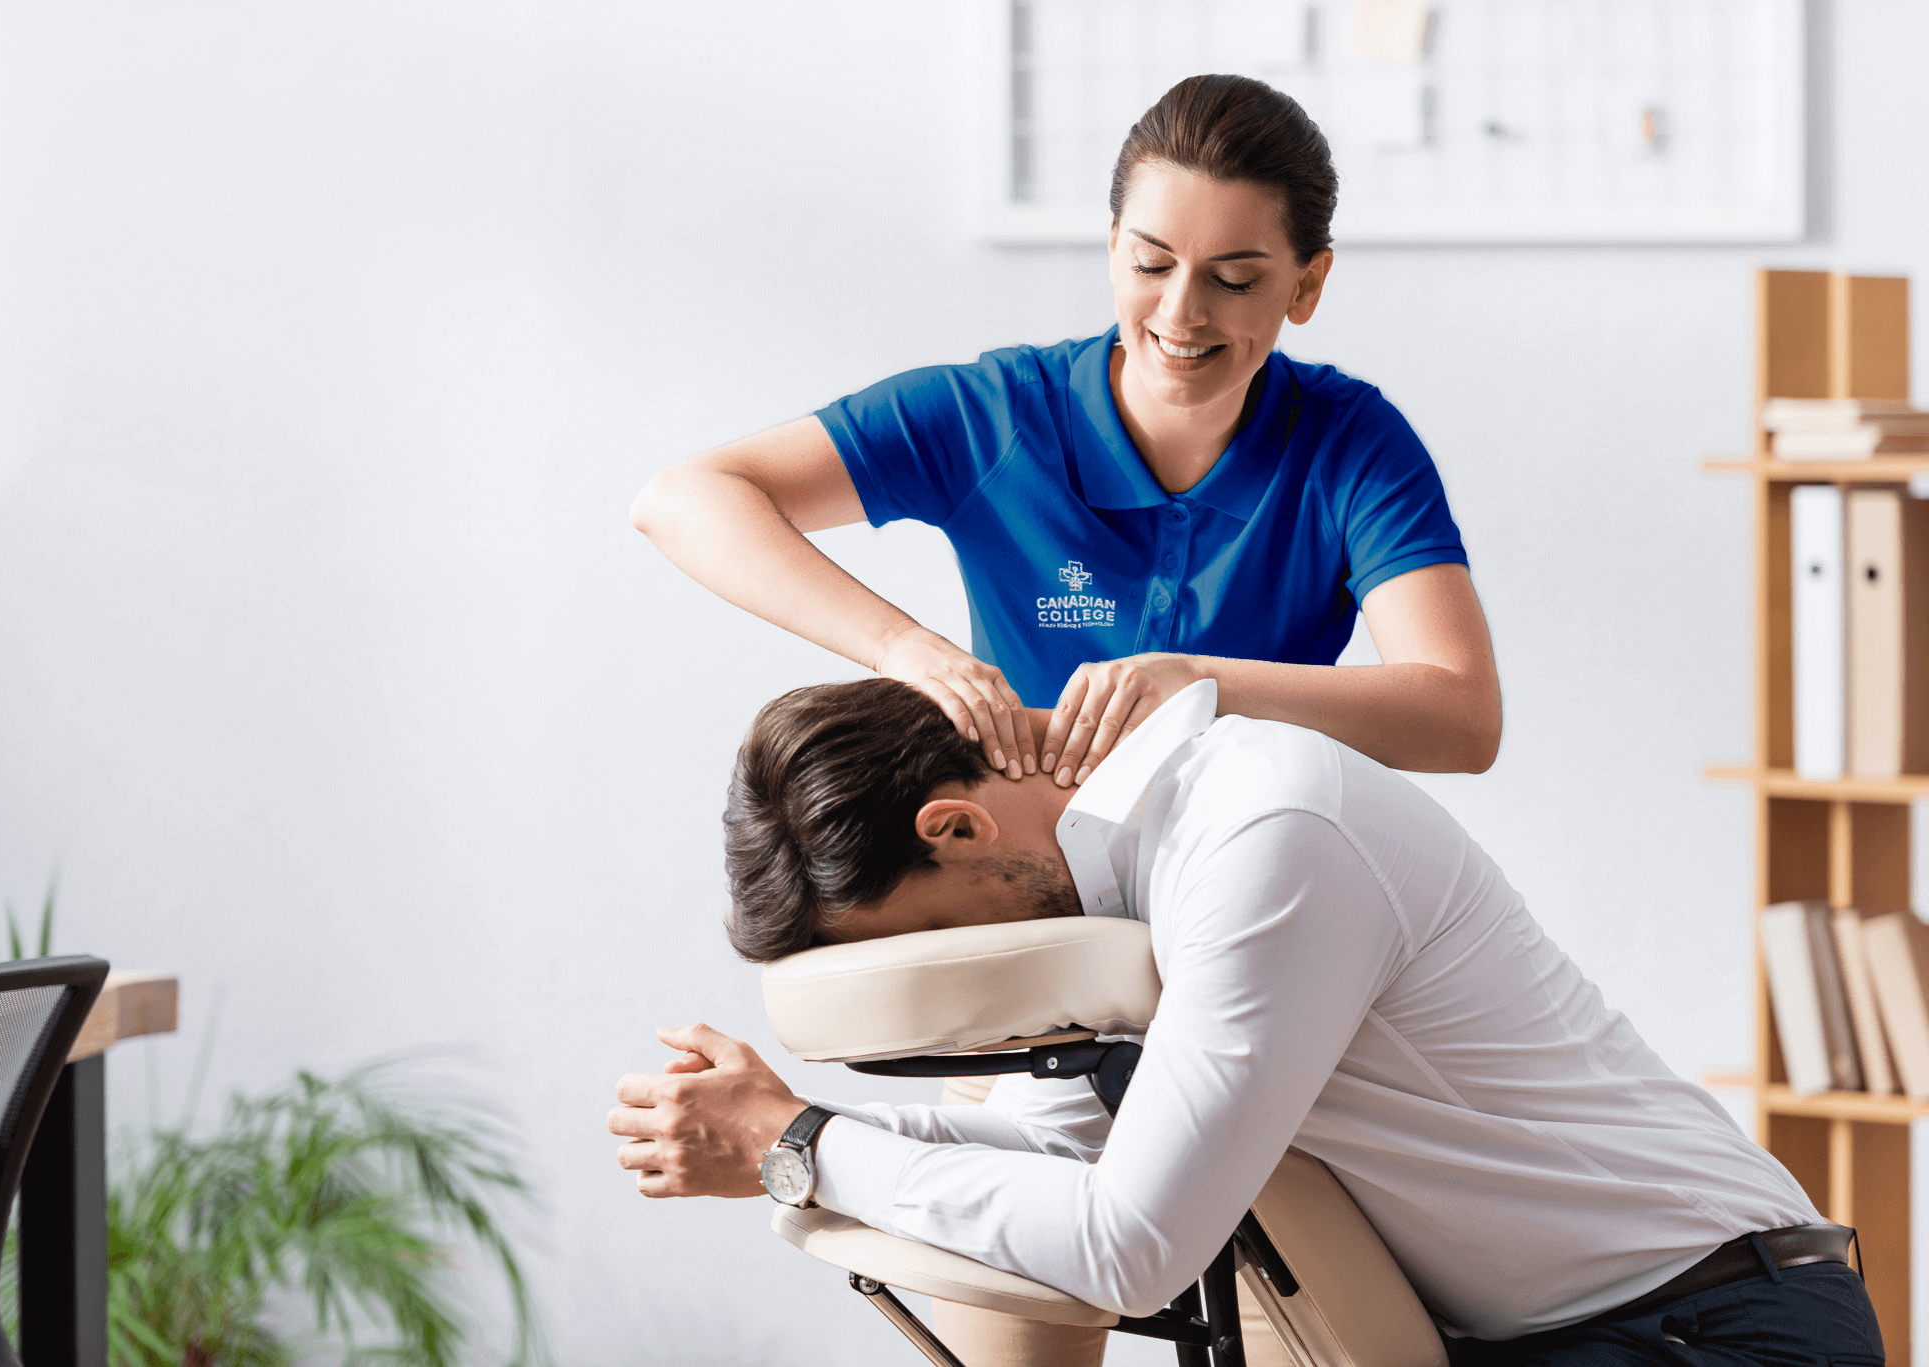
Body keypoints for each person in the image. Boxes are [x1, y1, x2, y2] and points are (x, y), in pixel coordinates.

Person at [608, 678, 1880, 1367]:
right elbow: (1080, 1166)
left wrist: (800, 1144)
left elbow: (1129, 1247)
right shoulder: (1111, 896)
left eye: (925, 942)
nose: (952, 985)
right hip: (1560, 1333)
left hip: (1711, 1322)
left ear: (954, 825)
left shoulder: (1260, 837)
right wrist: (786, 1126)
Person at [630, 74, 1501, 795]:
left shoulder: (1351, 444)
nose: (1181, 312)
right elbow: (683, 500)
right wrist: (904, 648)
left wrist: (1199, 684)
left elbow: (1462, 717)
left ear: (1306, 287)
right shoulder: (999, 416)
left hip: (1255, 854)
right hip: (1028, 858)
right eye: (1151, 263)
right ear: (1114, 247)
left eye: (1233, 279)